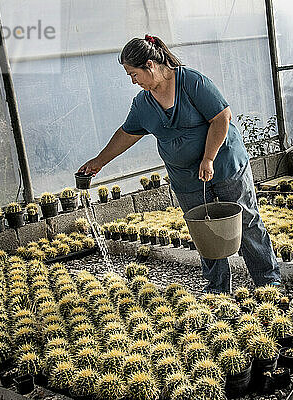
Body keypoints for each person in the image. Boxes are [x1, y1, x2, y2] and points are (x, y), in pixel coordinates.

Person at [79, 34, 280, 293]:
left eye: (133, 74)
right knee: (203, 231)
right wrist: (99, 162)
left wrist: (208, 158)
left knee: (246, 221)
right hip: (186, 177)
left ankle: (268, 282)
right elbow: (127, 134)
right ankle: (218, 289)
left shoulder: (191, 82)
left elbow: (221, 118)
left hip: (224, 163)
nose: (133, 81)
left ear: (150, 65)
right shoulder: (143, 103)